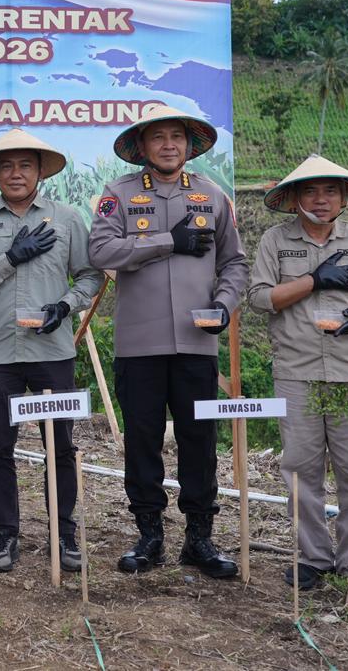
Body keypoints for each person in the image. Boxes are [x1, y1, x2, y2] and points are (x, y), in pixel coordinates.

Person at [88, 104, 249, 579]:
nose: (168, 145)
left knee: (200, 440)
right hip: (138, 345)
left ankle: (199, 538)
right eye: (157, 137)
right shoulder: (117, 195)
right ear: (142, 147)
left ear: (188, 144)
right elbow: (100, 251)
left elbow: (235, 263)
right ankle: (149, 535)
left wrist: (224, 304)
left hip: (197, 344)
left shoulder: (212, 196)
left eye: (176, 136)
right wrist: (165, 241)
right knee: (143, 439)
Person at [0, 128, 104, 572]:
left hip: (53, 351)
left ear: (40, 171)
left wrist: (66, 305)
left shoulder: (68, 218)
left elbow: (91, 277)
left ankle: (64, 533)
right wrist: (10, 258)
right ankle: (4, 535)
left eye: (25, 165)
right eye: (6, 165)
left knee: (60, 447)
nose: (15, 173)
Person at [247, 155, 348, 590]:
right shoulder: (277, 241)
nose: (320, 199)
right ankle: (313, 557)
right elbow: (259, 298)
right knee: (300, 468)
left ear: (343, 197)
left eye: (329, 191)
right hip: (295, 372)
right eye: (310, 191)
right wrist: (313, 280)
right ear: (294, 198)